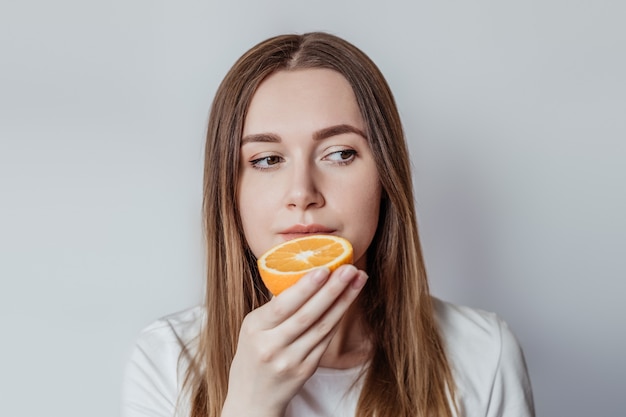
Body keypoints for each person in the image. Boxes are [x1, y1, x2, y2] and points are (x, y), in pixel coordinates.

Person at [121, 32, 535, 417]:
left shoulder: (483, 353)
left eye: (339, 154)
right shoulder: (168, 359)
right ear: (230, 194)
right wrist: (248, 402)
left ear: (386, 177)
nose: (302, 192)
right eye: (267, 159)